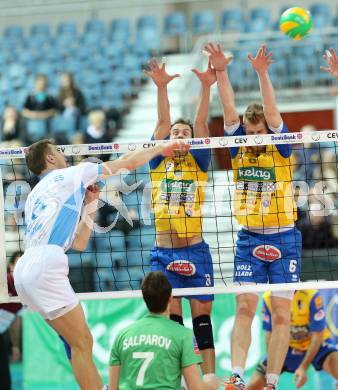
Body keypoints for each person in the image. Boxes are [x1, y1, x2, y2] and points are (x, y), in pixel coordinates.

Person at [13, 138, 188, 390]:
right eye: (58, 152)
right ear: (50, 159)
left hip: (25, 270)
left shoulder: (35, 195)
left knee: (74, 342)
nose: (64, 156)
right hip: (45, 265)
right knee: (82, 342)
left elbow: (80, 244)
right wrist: (162, 147)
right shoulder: (72, 174)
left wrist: (91, 203)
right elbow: (126, 163)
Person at [205, 43, 302, 390]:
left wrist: (262, 73)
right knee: (244, 309)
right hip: (249, 238)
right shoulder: (238, 146)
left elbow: (273, 113)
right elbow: (228, 107)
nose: (253, 137)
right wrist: (220, 72)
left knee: (280, 315)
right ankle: (237, 376)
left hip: (284, 237)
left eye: (259, 132)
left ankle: (272, 381)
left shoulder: (280, 144)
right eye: (249, 132)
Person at [145, 58, 216, 378]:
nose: (180, 135)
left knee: (202, 325)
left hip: (194, 250)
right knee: (172, 327)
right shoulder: (158, 162)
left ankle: (210, 381)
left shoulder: (198, 160)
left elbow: (201, 124)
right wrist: (161, 88)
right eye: (176, 132)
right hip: (165, 252)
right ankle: (179, 383)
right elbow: (162, 123)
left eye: (184, 132)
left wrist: (206, 86)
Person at [109, 271, 219, 390]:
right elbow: (196, 388)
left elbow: (112, 388)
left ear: (144, 298)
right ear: (170, 298)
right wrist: (211, 384)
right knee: (210, 380)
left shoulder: (122, 336)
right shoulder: (184, 335)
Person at [248, 290, 338, 390]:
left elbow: (318, 335)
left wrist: (303, 367)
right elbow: (269, 334)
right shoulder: (268, 297)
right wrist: (271, 368)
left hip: (317, 345)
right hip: (286, 346)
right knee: (253, 385)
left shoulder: (311, 294)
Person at [0, 252, 23, 390]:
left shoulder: (26, 289)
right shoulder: (6, 281)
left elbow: (16, 320)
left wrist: (15, 345)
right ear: (10, 266)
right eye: (17, 264)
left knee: (5, 382)